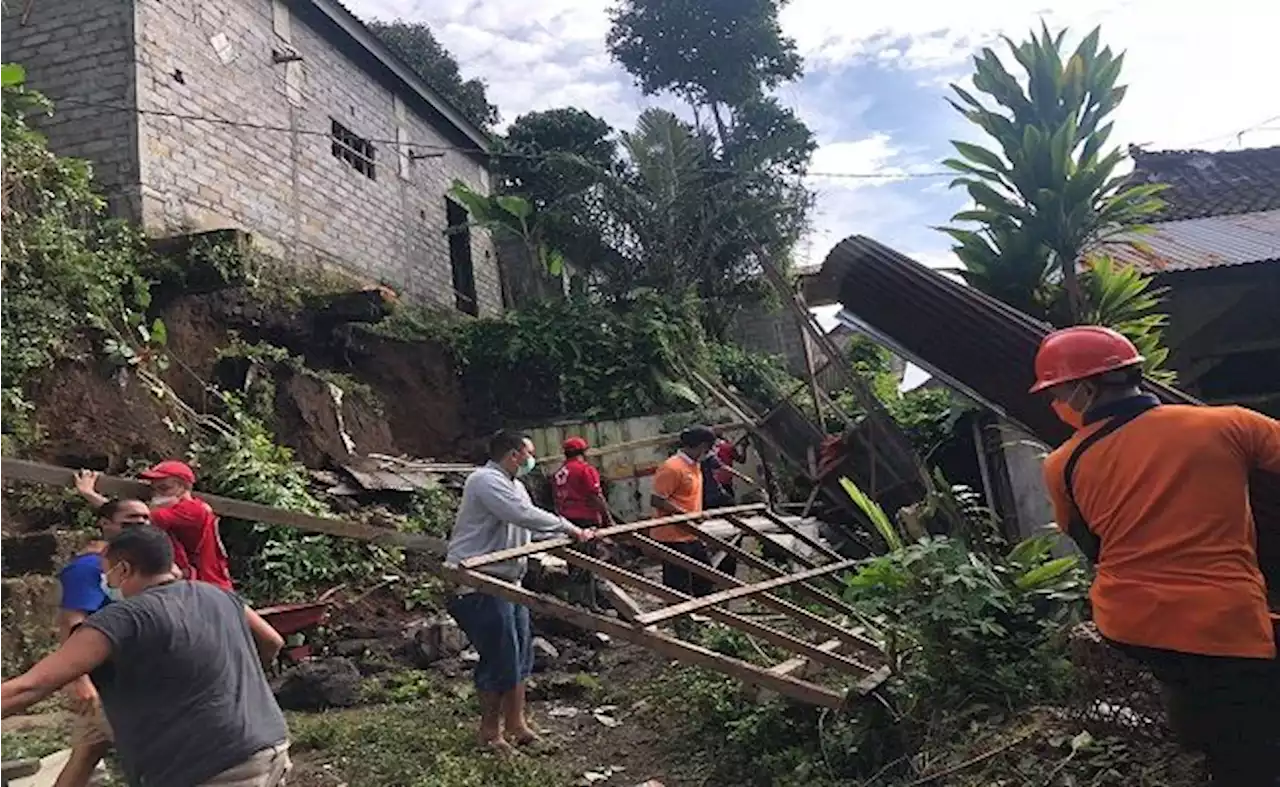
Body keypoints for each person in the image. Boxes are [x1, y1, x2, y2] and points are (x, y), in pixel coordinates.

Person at [1033, 325, 1280, 787]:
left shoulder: (1062, 463)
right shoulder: (1228, 423)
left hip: (1129, 623)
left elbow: (1088, 541)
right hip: (1222, 622)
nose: (1056, 404)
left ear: (1086, 390)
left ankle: (1203, 737)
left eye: (1059, 391)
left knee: (1203, 699)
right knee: (1253, 744)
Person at [0, 526, 291, 787]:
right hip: (271, 746)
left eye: (106, 572)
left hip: (210, 767)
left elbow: (31, 686)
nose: (105, 580)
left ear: (124, 569)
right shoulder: (218, 595)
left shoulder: (122, 618)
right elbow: (272, 641)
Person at [445, 430, 596, 754]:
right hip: (480, 583)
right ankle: (489, 733)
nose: (531, 460)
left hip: (509, 584)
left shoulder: (516, 486)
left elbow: (527, 529)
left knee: (520, 657)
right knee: (499, 659)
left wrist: (564, 541)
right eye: (527, 453)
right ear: (513, 454)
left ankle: (517, 724)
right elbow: (522, 515)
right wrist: (569, 527)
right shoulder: (484, 480)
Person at [54, 499, 151, 787]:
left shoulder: (143, 565)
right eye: (130, 521)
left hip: (128, 678)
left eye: (146, 519)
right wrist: (80, 680)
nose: (140, 526)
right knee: (152, 754)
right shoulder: (88, 569)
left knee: (87, 752)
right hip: (112, 684)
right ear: (106, 524)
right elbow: (72, 623)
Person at [75, 461, 233, 590]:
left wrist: (91, 495)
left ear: (183, 487)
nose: (158, 494)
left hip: (207, 584)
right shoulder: (185, 509)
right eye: (154, 489)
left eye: (165, 488)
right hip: (200, 583)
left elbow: (134, 518)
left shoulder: (190, 509)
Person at [650, 425, 719, 596]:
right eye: (709, 448)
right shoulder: (672, 467)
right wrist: (686, 515)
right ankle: (680, 620)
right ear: (703, 446)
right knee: (678, 584)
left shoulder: (695, 466)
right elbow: (657, 499)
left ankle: (704, 616)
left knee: (705, 577)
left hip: (690, 533)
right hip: (672, 535)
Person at [552, 437, 613, 530]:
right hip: (586, 518)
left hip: (566, 520)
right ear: (583, 452)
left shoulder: (558, 473)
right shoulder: (585, 469)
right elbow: (596, 495)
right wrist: (609, 520)